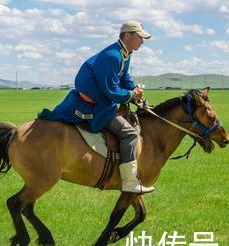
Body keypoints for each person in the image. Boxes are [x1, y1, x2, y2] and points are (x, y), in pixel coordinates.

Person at [38, 20, 155, 194]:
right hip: (91, 105)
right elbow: (112, 91)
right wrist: (131, 95)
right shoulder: (113, 56)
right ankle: (130, 182)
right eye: (140, 37)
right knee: (130, 134)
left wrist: (135, 93)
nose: (143, 41)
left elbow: (124, 80)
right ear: (128, 35)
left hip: (101, 101)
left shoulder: (125, 53)